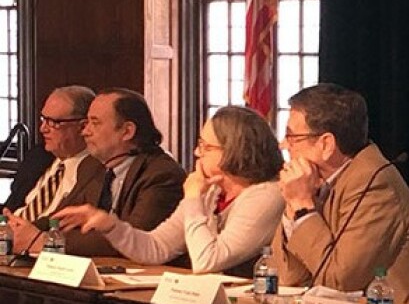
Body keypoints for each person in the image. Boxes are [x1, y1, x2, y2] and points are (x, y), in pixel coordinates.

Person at [271, 83, 409, 304]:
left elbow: (340, 282)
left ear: (326, 144)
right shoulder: (315, 182)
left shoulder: (375, 183)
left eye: (292, 137)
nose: (283, 145)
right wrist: (295, 204)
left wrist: (302, 207)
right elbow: (290, 278)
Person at [55, 106, 284, 274]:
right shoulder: (212, 191)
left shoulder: (266, 196)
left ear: (234, 151)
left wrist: (194, 200)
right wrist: (111, 226)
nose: (196, 152)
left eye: (206, 147)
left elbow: (207, 260)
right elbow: (157, 248)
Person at [52, 88, 186, 256]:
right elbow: (60, 218)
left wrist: (46, 241)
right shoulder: (91, 166)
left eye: (95, 123)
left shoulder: (162, 175)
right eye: (86, 123)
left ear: (127, 131)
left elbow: (132, 242)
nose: (85, 132)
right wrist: (18, 230)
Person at [3, 86, 104, 254]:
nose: (43, 128)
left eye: (54, 122)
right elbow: (11, 206)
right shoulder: (38, 157)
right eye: (43, 119)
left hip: (47, 252)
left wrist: (25, 234)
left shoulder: (98, 170)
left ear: (83, 126)